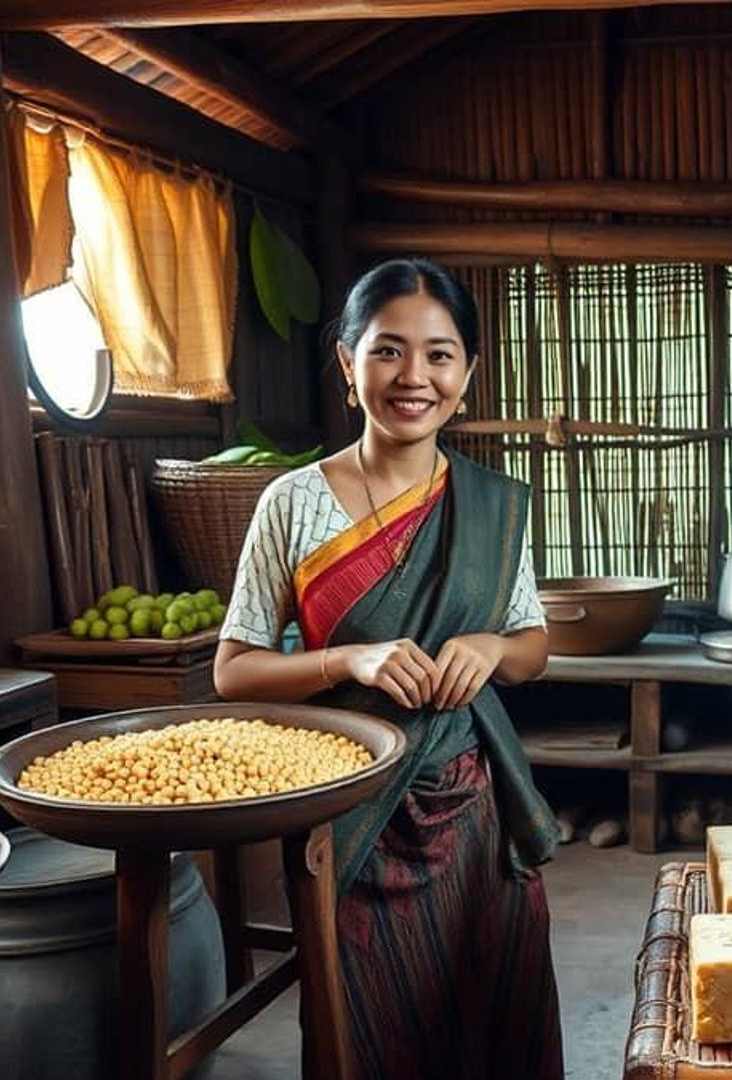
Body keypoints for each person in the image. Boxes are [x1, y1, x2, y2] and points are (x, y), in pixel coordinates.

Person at [213, 257, 563, 1080]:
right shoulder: (292, 503)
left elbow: (532, 646)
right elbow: (235, 669)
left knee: (493, 1020)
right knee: (367, 1029)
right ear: (347, 362)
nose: (415, 377)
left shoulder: (493, 505)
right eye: (388, 351)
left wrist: (491, 648)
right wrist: (347, 657)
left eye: (440, 355)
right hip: (350, 817)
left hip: (474, 813)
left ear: (468, 374)